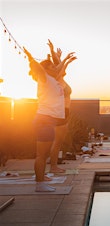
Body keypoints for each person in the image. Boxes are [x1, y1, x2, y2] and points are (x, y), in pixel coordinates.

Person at [23, 46, 75, 192]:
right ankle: (40, 184)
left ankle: (41, 178)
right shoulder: (45, 78)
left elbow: (59, 69)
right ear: (46, 70)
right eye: (52, 66)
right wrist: (30, 57)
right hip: (44, 119)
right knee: (41, 155)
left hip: (48, 120)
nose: (55, 67)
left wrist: (63, 59)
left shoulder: (54, 79)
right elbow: (39, 68)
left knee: (43, 154)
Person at [47, 39, 76, 173]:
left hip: (64, 111)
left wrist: (59, 57)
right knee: (57, 141)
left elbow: (59, 66)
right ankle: (53, 166)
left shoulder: (60, 79)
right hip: (61, 111)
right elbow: (59, 68)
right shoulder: (57, 79)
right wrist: (60, 57)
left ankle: (54, 164)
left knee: (59, 141)